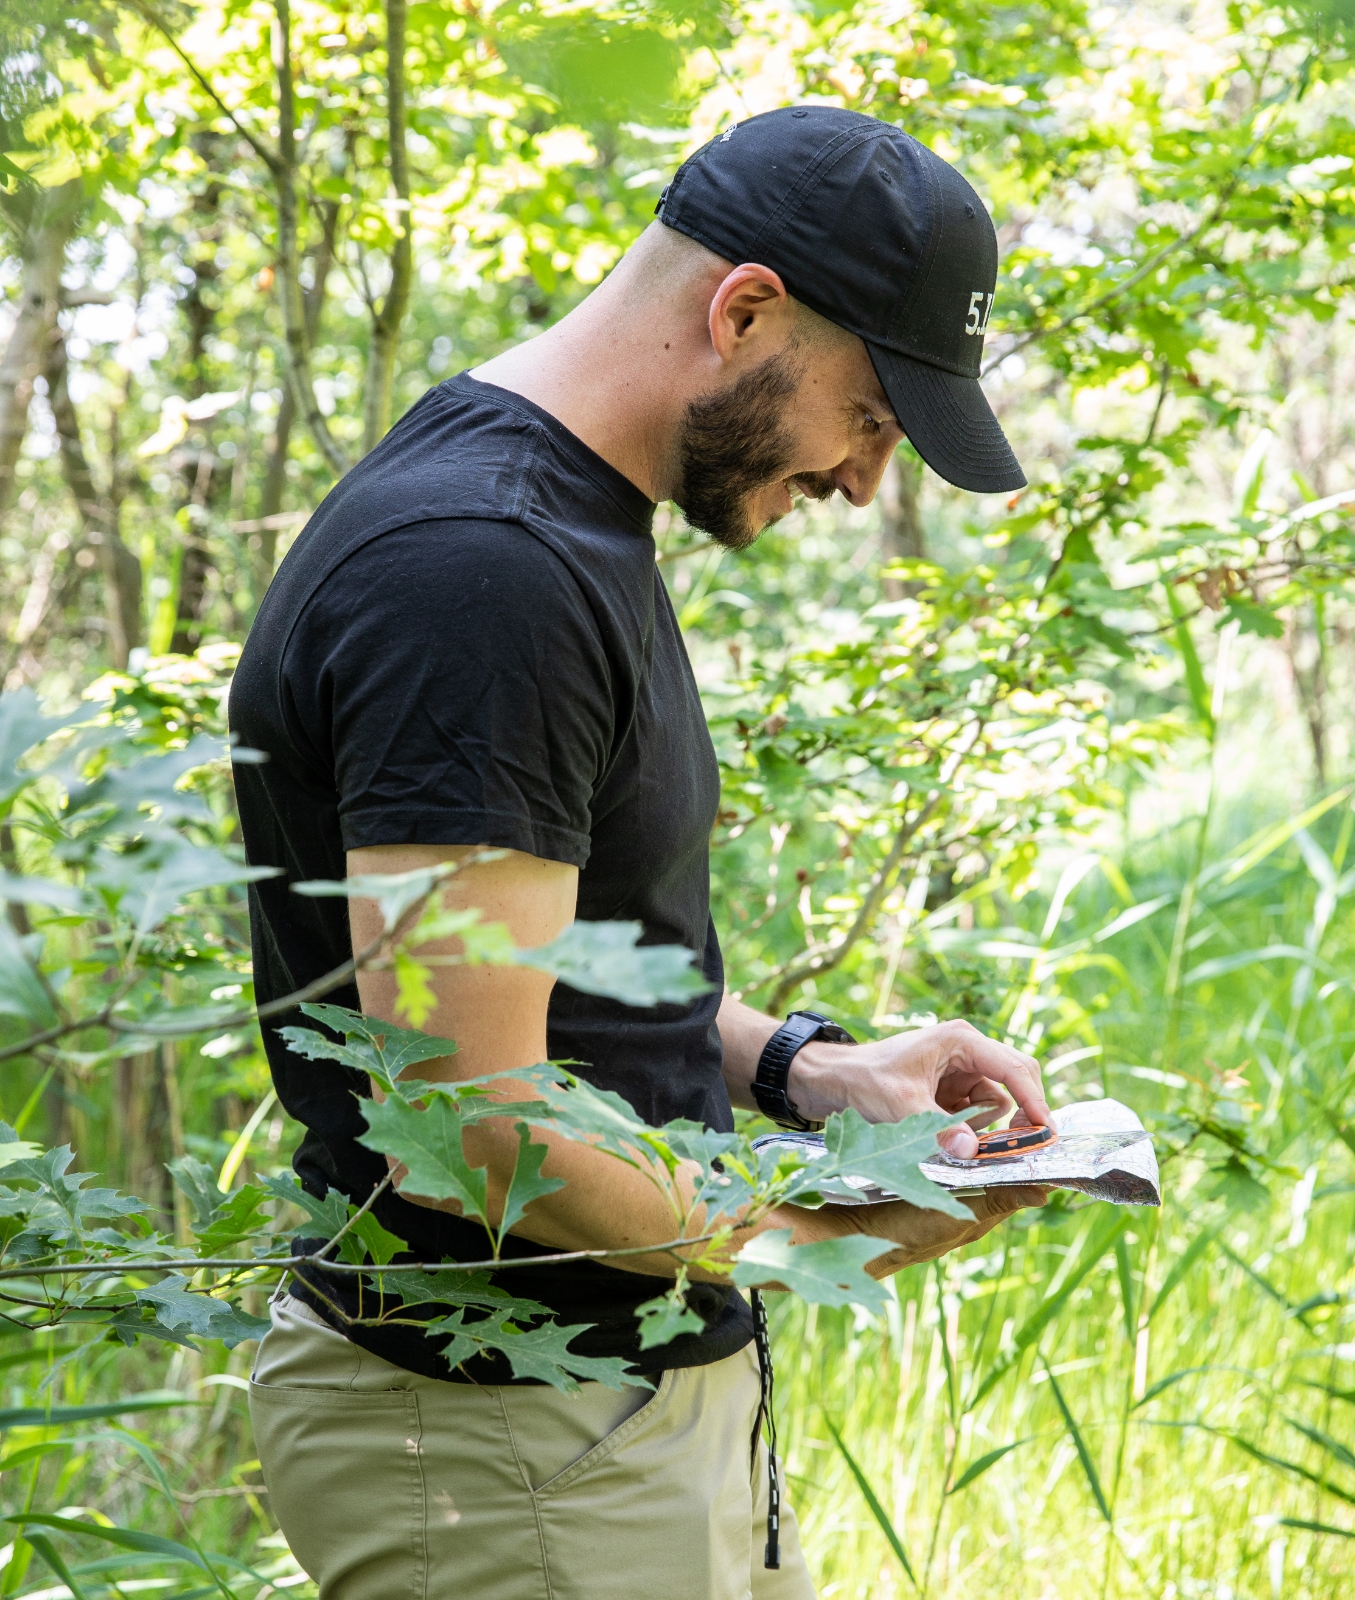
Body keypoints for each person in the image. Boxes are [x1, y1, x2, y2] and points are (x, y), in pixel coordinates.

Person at [225, 107, 1039, 1599]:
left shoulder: (556, 528)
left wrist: (803, 1069)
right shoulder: (482, 571)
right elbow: (478, 1120)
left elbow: (537, 978)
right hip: (513, 1450)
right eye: (871, 416)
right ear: (745, 312)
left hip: (612, 1413)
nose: (865, 481)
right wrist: (815, 1241)